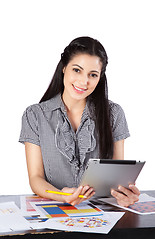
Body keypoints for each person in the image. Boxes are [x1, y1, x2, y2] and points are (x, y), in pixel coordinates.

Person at [19, 36, 140, 207]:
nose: (84, 82)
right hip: (54, 209)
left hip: (100, 213)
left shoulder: (114, 113)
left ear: (100, 78)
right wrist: (62, 196)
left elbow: (117, 177)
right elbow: (35, 178)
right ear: (64, 68)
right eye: (77, 70)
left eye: (93, 74)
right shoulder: (34, 115)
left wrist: (124, 195)